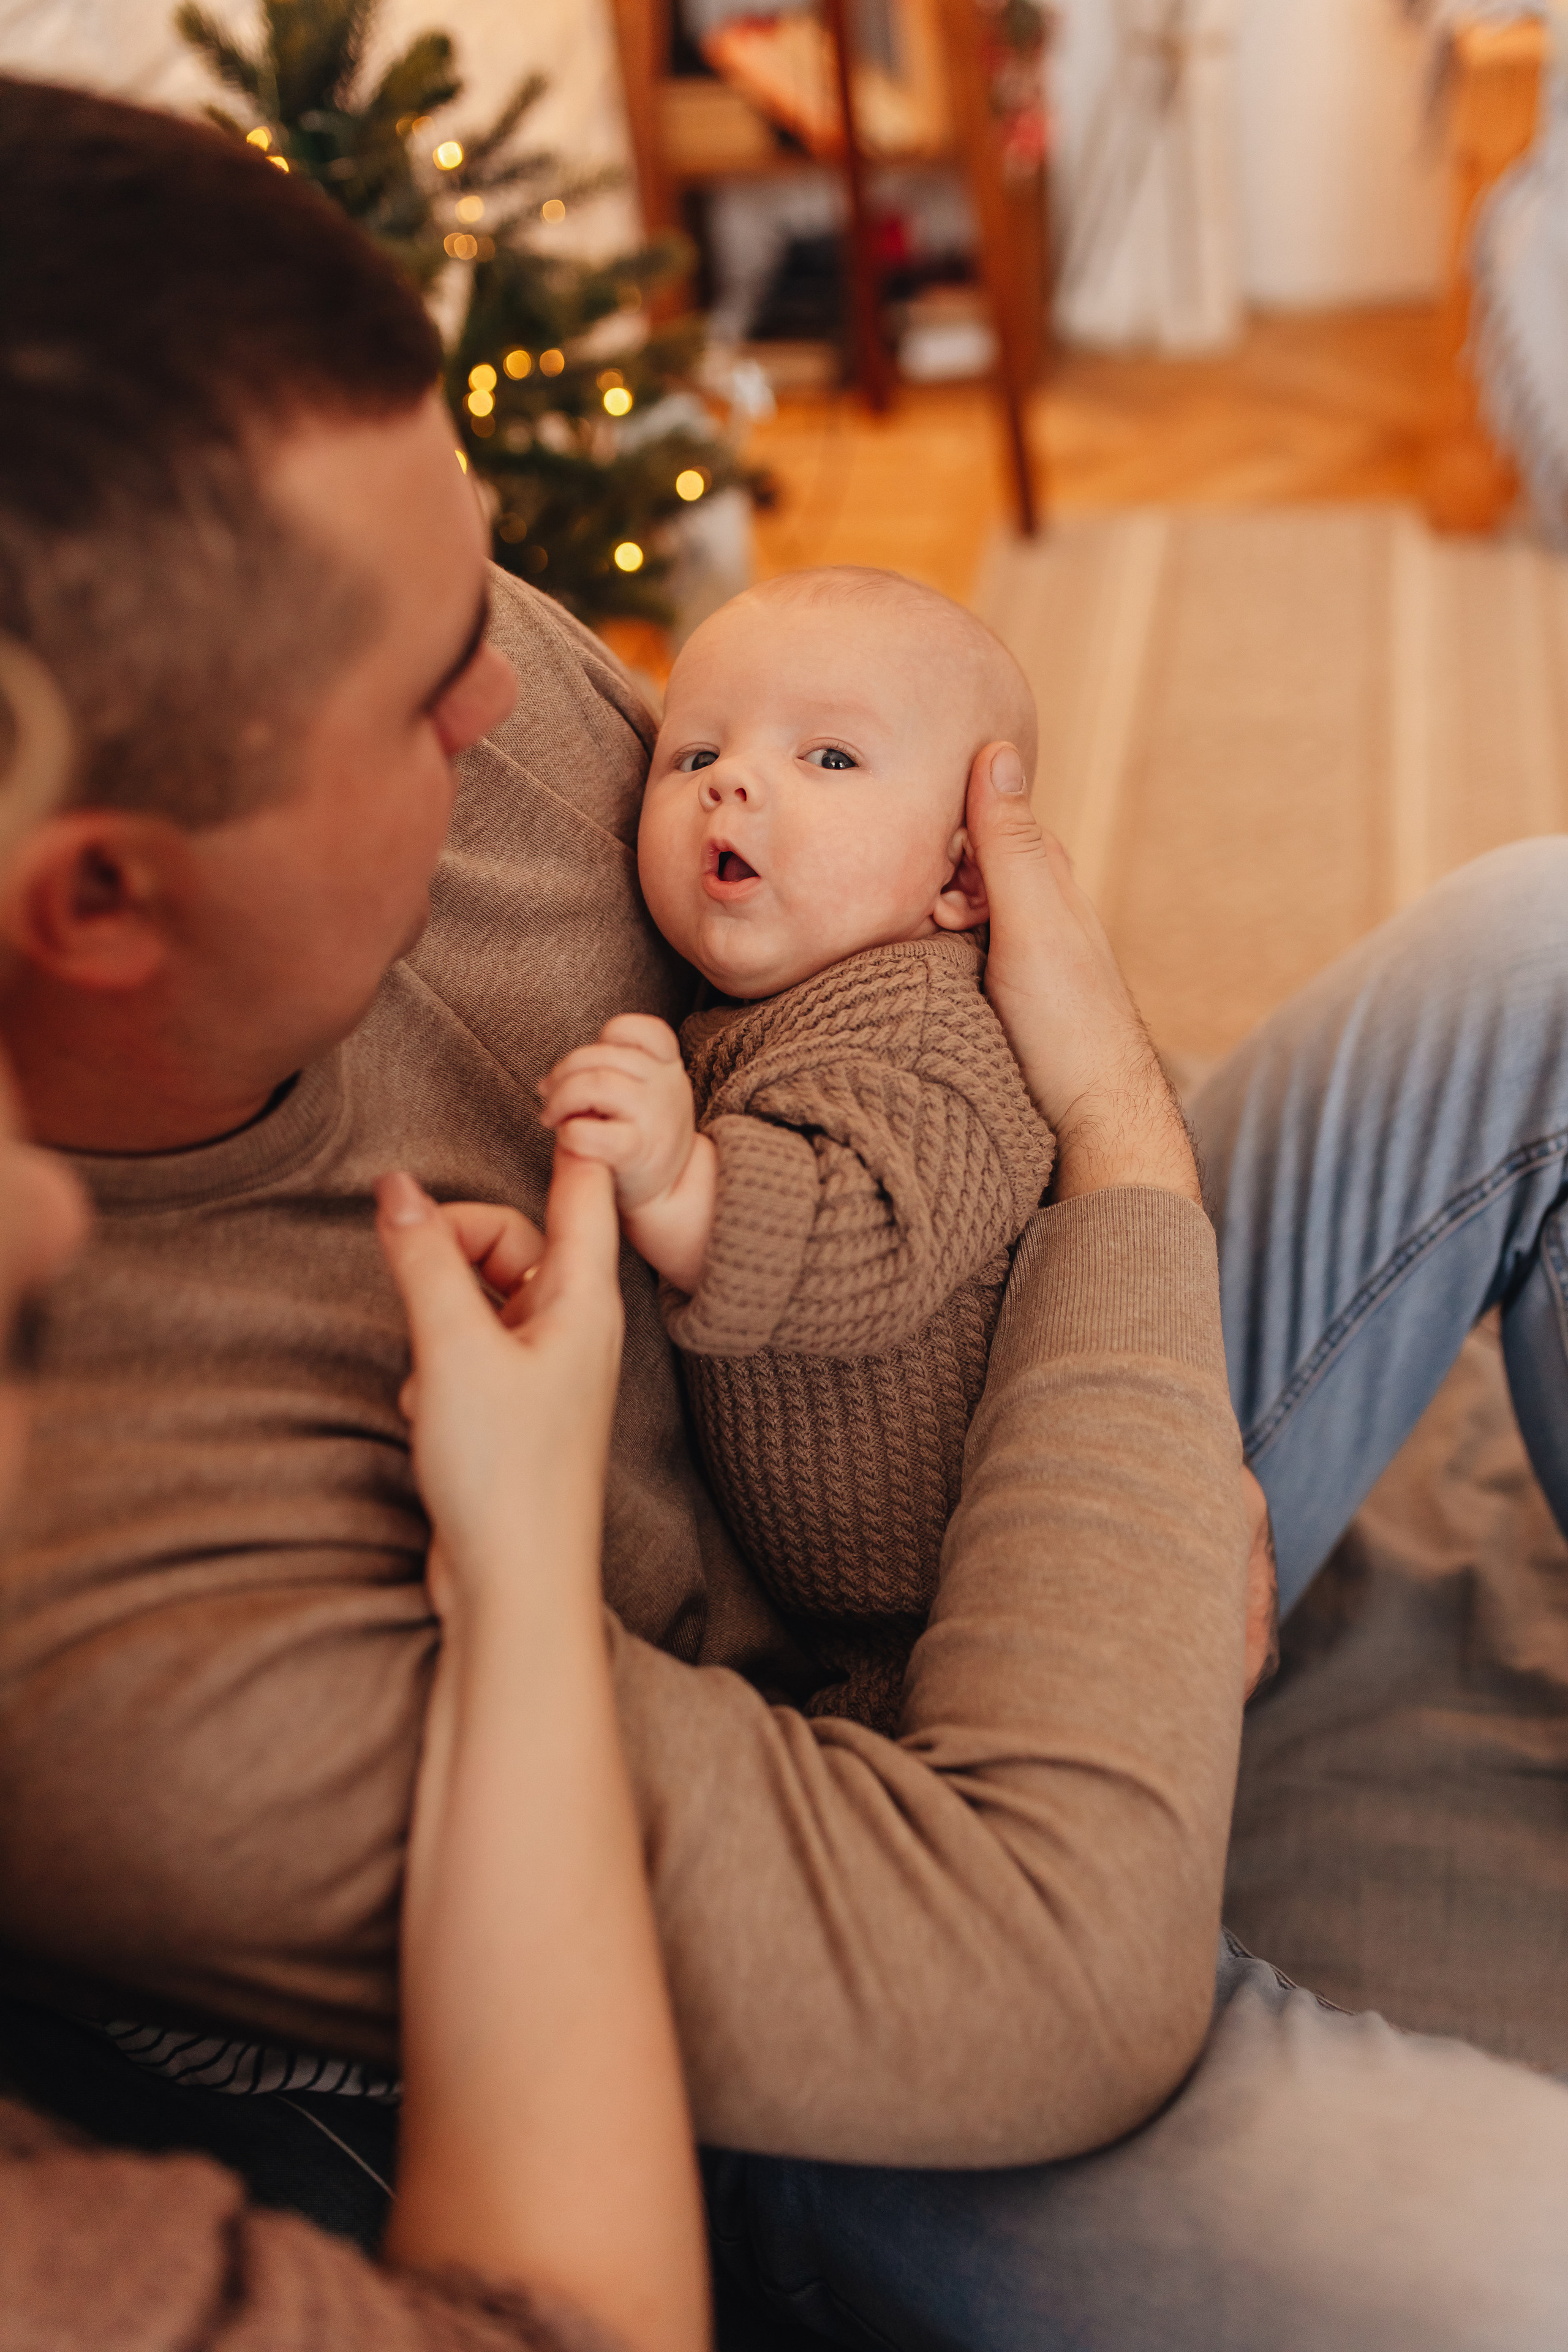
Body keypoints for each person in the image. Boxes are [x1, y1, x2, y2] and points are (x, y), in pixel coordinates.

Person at [4, 71, 1568, 2352]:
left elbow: (852, 928)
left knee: (1537, 946)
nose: (518, 689)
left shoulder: (448, 650)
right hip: (873, 1885)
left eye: (486, 588)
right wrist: (1128, 1162)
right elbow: (1051, 1966)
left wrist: (1058, 1272)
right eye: (418, 686)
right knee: (1509, 2269)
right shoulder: (124, 1619)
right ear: (101, 898)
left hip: (944, 1413)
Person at [0, 635, 709, 2349]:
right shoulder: (159, 1681)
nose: (43, 1222)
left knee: (1501, 966)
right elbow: (1057, 1964)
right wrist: (526, 1573)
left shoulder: (504, 693)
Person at [539, 567, 1057, 1727]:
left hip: (952, 1608)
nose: (732, 780)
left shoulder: (927, 1025)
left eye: (829, 758)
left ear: (961, 875)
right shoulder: (751, 1005)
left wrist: (683, 1184)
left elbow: (877, 1225)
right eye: (692, 756)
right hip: (825, 1619)